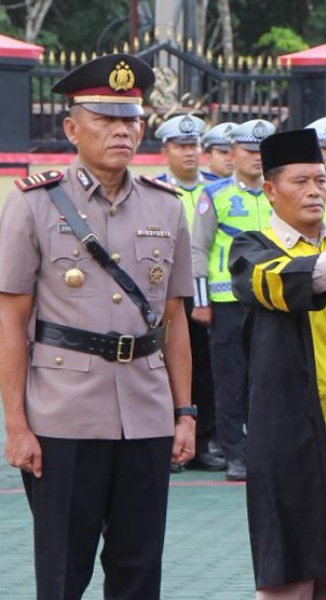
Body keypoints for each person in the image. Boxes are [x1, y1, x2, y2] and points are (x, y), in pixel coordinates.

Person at [0, 53, 196, 599]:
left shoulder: (167, 206)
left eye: (131, 119)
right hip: (64, 414)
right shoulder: (34, 205)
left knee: (139, 570)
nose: (122, 131)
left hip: (147, 409)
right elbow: (11, 322)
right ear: (71, 127)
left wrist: (184, 412)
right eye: (106, 118)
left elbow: (175, 319)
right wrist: (16, 425)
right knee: (63, 572)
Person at [229, 128, 326, 599]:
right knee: (291, 573)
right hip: (288, 432)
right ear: (270, 189)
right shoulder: (252, 248)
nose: (315, 190)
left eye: (321, 180)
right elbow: (272, 285)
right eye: (300, 181)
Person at [191, 118, 276, 481]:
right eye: (249, 151)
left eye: (262, 152)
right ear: (233, 154)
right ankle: (235, 454)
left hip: (269, 300)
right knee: (230, 379)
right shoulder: (217, 194)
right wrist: (201, 300)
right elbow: (200, 248)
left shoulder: (279, 191)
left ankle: (264, 448)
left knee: (267, 377)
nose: (257, 158)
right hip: (226, 303)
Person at [154, 114, 226, 473]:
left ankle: (203, 442)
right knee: (166, 365)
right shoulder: (152, 190)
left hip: (202, 293)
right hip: (163, 292)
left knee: (205, 370)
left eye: (194, 146)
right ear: (165, 150)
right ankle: (168, 438)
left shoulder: (215, 187)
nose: (189, 153)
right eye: (181, 146)